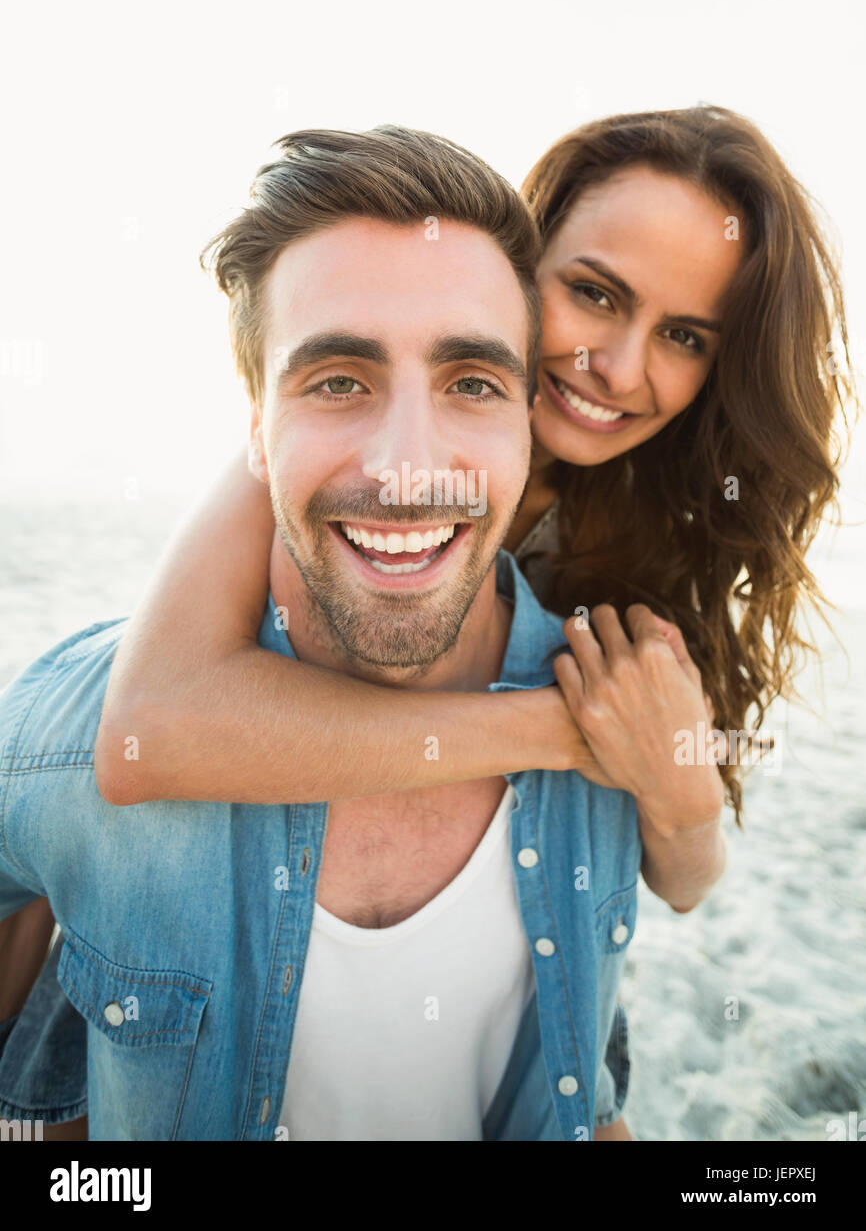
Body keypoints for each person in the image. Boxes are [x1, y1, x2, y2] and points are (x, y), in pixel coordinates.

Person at [0, 124, 721, 1141]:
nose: (405, 464)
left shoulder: (626, 696)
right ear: (252, 423)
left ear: (528, 408)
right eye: (337, 379)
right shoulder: (64, 729)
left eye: (470, 382)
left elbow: (581, 1059)